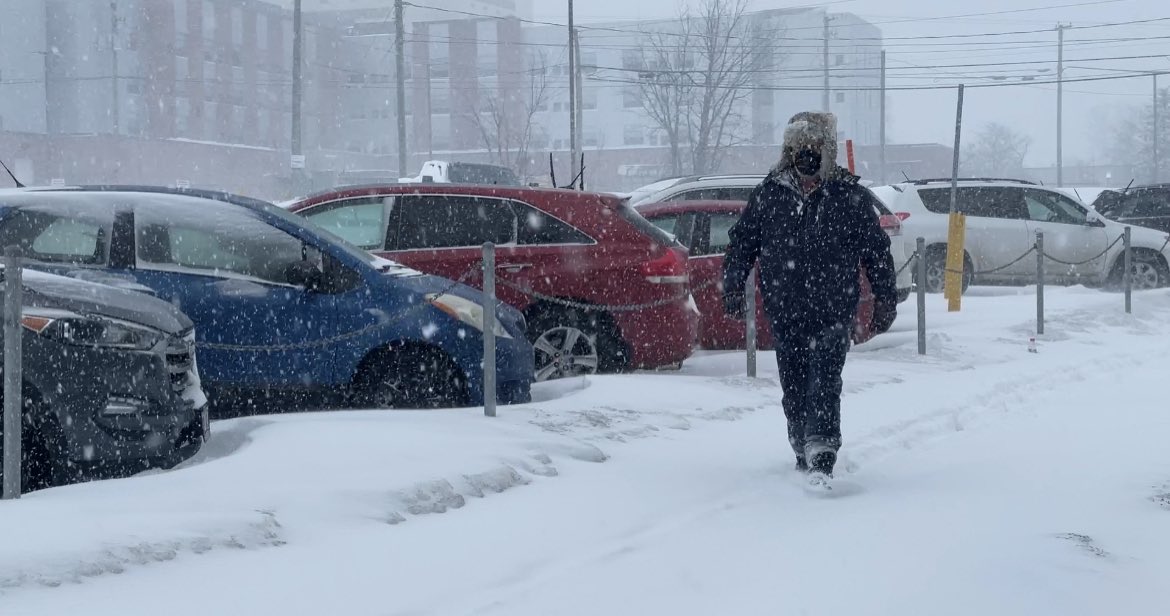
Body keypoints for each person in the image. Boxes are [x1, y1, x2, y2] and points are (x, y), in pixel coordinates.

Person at [722, 112, 897, 486]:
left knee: (825, 380)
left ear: (828, 152)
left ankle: (822, 449)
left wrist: (885, 299)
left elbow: (877, 251)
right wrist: (733, 284)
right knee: (795, 383)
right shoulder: (769, 194)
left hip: (833, 309)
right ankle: (801, 442)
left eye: (815, 149)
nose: (807, 156)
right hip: (785, 310)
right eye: (799, 149)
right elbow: (742, 243)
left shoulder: (848, 197)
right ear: (789, 151)